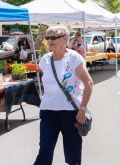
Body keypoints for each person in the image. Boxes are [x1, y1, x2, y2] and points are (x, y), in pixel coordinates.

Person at [34, 25, 93, 165]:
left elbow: (88, 84)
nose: (49, 40)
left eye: (53, 37)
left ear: (65, 39)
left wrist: (83, 109)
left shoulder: (74, 58)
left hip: (70, 113)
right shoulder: (45, 60)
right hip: (48, 111)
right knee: (45, 150)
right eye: (48, 37)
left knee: (73, 153)